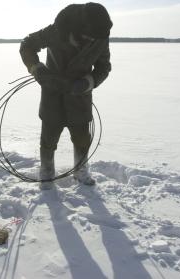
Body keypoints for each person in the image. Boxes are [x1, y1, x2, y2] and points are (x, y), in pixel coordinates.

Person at [19, 2, 113, 189]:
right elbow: (27, 45)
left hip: (80, 97)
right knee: (48, 140)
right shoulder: (57, 31)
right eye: (89, 36)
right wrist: (37, 69)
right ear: (81, 27)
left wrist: (88, 82)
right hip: (52, 95)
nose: (91, 40)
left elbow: (104, 67)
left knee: (82, 139)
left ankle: (81, 171)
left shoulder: (100, 36)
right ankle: (46, 174)